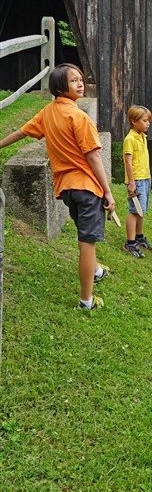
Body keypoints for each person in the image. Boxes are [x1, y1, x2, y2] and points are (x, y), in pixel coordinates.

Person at [0, 63, 115, 310]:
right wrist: (108, 192)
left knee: (85, 235)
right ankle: (87, 301)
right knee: (87, 242)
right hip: (87, 188)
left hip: (66, 190)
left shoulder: (48, 112)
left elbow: (21, 132)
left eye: (81, 79)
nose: (80, 83)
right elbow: (94, 157)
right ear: (60, 86)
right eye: (74, 81)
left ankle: (96, 271)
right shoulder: (79, 117)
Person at [122, 105, 152, 258]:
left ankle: (140, 238)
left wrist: (149, 177)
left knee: (142, 211)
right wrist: (131, 183)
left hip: (145, 178)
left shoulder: (142, 136)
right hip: (136, 181)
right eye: (145, 121)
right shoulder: (130, 139)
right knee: (134, 212)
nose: (148, 124)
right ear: (134, 121)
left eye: (149, 121)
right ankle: (130, 242)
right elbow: (128, 162)